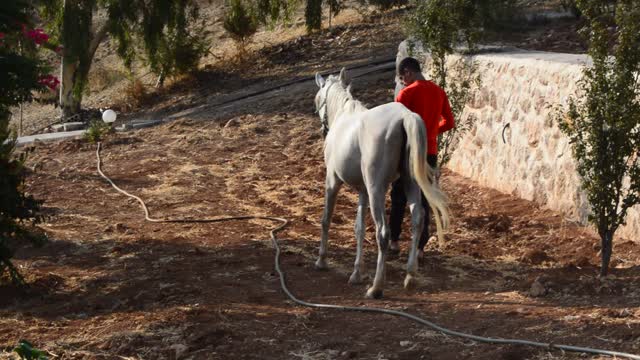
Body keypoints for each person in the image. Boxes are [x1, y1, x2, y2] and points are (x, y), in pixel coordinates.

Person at [390, 57, 455, 258]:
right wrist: (432, 132)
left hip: (408, 151)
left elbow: (395, 125)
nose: (403, 82)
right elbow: (450, 122)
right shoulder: (438, 91)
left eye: (403, 78)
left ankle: (393, 240)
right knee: (424, 196)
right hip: (430, 151)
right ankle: (420, 247)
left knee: (399, 195)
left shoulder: (406, 94)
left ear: (408, 72)